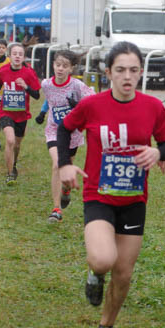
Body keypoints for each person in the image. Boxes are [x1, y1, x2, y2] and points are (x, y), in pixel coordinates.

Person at [58, 41, 165, 328]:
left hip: (134, 199)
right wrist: (65, 164)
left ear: (141, 72)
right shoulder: (92, 105)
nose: (127, 76)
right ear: (108, 72)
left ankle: (107, 326)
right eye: (120, 70)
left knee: (123, 273)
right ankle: (95, 274)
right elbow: (64, 129)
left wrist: (158, 152)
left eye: (134, 70)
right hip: (98, 195)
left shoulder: (153, 107)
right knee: (103, 259)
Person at [38, 50, 95, 222]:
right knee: (57, 164)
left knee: (67, 167)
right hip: (54, 131)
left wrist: (77, 105)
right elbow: (49, 100)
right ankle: (56, 209)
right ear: (53, 65)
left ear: (71, 68)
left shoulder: (77, 86)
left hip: (72, 134)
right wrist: (42, 113)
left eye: (65, 66)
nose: (60, 69)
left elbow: (93, 102)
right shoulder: (46, 84)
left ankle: (66, 189)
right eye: (58, 65)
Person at [0, 43, 41, 184]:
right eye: (14, 54)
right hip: (6, 111)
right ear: (9, 56)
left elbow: (37, 95)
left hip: (21, 114)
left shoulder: (29, 73)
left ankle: (13, 164)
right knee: (10, 140)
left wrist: (26, 87)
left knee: (17, 145)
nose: (17, 56)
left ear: (24, 57)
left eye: (20, 54)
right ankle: (9, 174)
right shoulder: (3, 71)